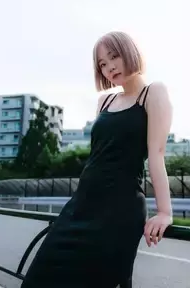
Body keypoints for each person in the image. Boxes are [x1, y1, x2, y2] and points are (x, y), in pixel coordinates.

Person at [21, 31, 173, 288]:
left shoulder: (153, 93)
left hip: (119, 210)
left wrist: (164, 212)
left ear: (130, 52)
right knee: (37, 279)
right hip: (80, 206)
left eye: (114, 57)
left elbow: (157, 154)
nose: (109, 67)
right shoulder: (105, 101)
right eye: (102, 64)